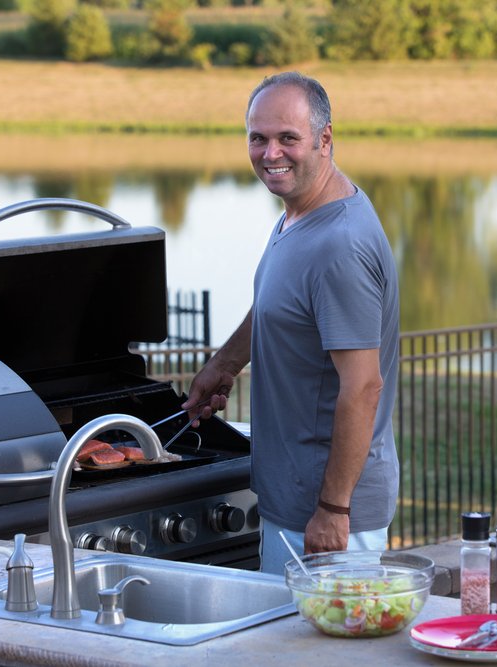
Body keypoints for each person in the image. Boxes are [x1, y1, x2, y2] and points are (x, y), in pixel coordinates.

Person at [182, 72, 400, 575]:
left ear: (324, 140)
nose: (269, 153)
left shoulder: (339, 246)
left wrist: (333, 509)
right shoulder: (299, 214)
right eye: (258, 138)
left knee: (320, 654)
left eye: (287, 138)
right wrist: (225, 364)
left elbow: (363, 386)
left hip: (326, 517)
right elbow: (278, 304)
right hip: (295, 501)